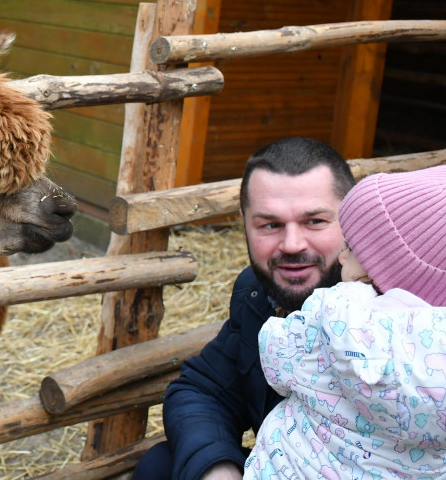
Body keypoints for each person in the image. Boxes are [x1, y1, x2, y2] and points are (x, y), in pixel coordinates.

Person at [132, 136, 356, 480]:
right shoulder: (258, 297)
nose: (293, 245)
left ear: (353, 220)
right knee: (160, 466)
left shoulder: (396, 315)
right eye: (271, 225)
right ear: (244, 223)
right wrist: (218, 468)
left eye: (315, 221)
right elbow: (202, 389)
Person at [245, 164, 446, 478]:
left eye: (352, 249)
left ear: (380, 269)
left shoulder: (336, 310)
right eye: (271, 225)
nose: (341, 257)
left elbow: (276, 354)